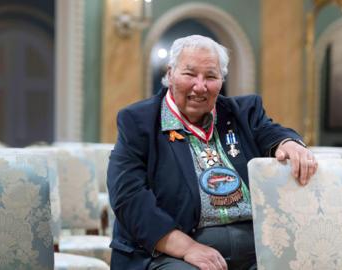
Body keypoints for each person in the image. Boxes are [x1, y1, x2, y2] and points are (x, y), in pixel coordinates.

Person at [107, 35, 318, 270]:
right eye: (189, 74)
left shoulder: (243, 112)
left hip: (255, 247)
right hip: (170, 251)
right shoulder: (139, 121)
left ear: (221, 80)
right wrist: (187, 248)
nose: (200, 86)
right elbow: (128, 196)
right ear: (170, 74)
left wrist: (288, 144)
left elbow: (270, 131)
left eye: (210, 76)